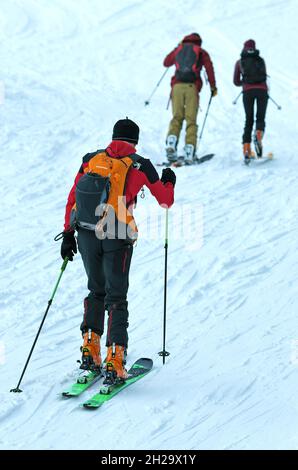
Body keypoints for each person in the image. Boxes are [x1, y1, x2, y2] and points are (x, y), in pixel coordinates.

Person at [60, 118, 176, 383]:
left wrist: (68, 233)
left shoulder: (91, 159)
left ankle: (90, 350)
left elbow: (72, 197)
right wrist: (169, 181)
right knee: (117, 296)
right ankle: (115, 359)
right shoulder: (141, 165)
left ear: (113, 136)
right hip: (117, 235)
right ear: (134, 141)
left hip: (87, 232)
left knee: (95, 290)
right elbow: (165, 201)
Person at [163, 32, 217, 164]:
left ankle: (171, 142)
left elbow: (166, 63)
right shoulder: (201, 51)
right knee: (191, 120)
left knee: (177, 117)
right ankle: (189, 151)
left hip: (176, 88)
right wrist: (213, 87)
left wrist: (178, 48)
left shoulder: (179, 49)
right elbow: (209, 67)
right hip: (191, 87)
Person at [233, 39, 268, 162]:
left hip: (248, 92)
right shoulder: (260, 60)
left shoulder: (240, 62)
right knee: (260, 117)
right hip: (262, 91)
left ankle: (247, 149)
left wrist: (244, 82)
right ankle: (258, 134)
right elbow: (264, 75)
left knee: (249, 119)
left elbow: (236, 81)